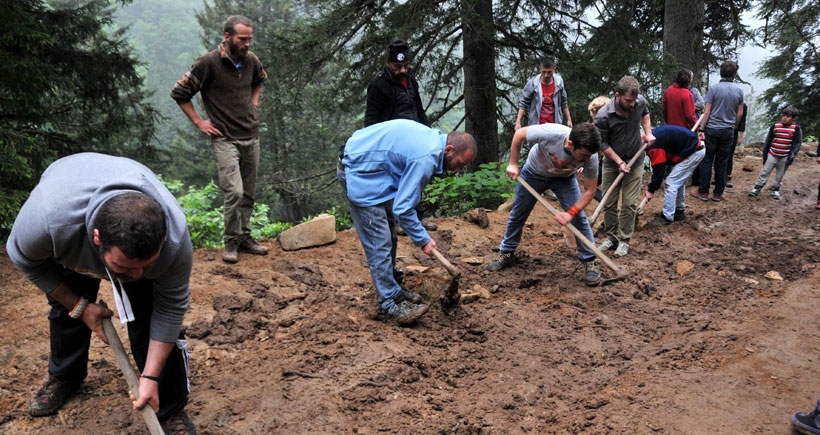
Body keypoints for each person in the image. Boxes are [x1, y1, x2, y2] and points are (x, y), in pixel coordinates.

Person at [5, 153, 196, 434]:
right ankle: (64, 377)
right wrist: (80, 306)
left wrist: (151, 376)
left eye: (146, 265)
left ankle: (167, 406)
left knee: (149, 311)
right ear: (97, 239)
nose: (136, 275)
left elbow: (170, 309)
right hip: (72, 229)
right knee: (66, 311)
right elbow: (23, 259)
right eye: (125, 267)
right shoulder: (51, 224)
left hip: (114, 211)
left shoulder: (174, 243)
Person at [337, 119, 476, 325]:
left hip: (375, 170)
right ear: (449, 149)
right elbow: (403, 209)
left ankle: (393, 287)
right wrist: (423, 239)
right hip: (359, 171)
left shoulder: (433, 141)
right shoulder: (425, 158)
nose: (457, 170)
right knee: (379, 240)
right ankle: (390, 304)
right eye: (459, 164)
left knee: (389, 236)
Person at [171, 15, 269, 264]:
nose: (247, 43)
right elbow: (180, 92)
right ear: (227, 37)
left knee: (248, 192)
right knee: (234, 191)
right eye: (242, 39)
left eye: (250, 38)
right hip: (225, 138)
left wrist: (254, 102)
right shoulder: (208, 63)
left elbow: (260, 79)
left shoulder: (251, 60)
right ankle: (231, 241)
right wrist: (199, 122)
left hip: (251, 134)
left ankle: (245, 236)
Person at [486, 123, 603, 286]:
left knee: (579, 219)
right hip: (533, 173)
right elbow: (519, 134)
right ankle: (507, 253)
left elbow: (590, 190)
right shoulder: (551, 133)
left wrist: (571, 213)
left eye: (589, 156)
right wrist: (513, 163)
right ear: (571, 144)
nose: (587, 160)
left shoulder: (590, 156)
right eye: (583, 155)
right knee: (518, 215)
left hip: (565, 179)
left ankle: (590, 261)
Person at [364, 40, 436, 233]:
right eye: (398, 66)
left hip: (415, 139)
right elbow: (371, 119)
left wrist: (428, 133)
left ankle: (418, 217)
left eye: (405, 66)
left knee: (416, 178)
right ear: (388, 63)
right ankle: (396, 222)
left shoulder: (411, 80)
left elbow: (418, 109)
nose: (402, 70)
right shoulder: (378, 85)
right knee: (395, 181)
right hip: (392, 144)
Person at [594, 76, 656, 258]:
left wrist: (648, 132)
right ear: (617, 95)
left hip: (635, 160)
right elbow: (602, 144)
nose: (632, 104)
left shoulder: (639, 102)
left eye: (634, 100)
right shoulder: (603, 116)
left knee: (629, 203)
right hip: (613, 164)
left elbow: (645, 113)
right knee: (609, 201)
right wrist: (619, 161)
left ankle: (624, 240)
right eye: (628, 100)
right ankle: (611, 237)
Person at [692, 60, 745, 202]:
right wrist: (734, 126)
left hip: (712, 129)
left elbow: (707, 112)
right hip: (728, 130)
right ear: (734, 74)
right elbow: (740, 113)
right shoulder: (739, 91)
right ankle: (718, 193)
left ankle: (703, 192)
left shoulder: (714, 89)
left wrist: (701, 128)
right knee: (722, 161)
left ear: (721, 72)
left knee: (707, 160)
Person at [644, 125, 706, 224]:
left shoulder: (654, 146)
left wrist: (651, 190)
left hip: (693, 152)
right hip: (692, 149)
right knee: (678, 181)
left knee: (670, 183)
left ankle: (667, 217)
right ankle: (679, 210)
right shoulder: (652, 135)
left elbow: (658, 170)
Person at [749, 105, 802, 199]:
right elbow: (768, 141)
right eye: (784, 115)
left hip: (785, 155)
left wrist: (792, 156)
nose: (785, 118)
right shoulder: (776, 127)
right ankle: (757, 187)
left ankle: (776, 189)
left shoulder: (796, 129)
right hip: (773, 153)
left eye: (788, 116)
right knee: (765, 171)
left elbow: (797, 143)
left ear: (793, 118)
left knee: (780, 174)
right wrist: (765, 154)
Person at [515, 56, 573, 130]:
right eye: (544, 72)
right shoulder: (533, 83)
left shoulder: (559, 83)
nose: (546, 75)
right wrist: (518, 122)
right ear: (540, 69)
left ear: (554, 69)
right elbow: (523, 102)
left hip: (555, 125)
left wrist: (569, 119)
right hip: (536, 125)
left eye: (549, 72)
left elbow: (564, 102)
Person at [726, 102, 748, 188]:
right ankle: (718, 176)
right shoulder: (725, 102)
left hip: (733, 131)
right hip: (723, 128)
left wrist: (741, 136)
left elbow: (742, 121)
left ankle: (728, 176)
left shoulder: (742, 105)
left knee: (730, 154)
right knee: (720, 154)